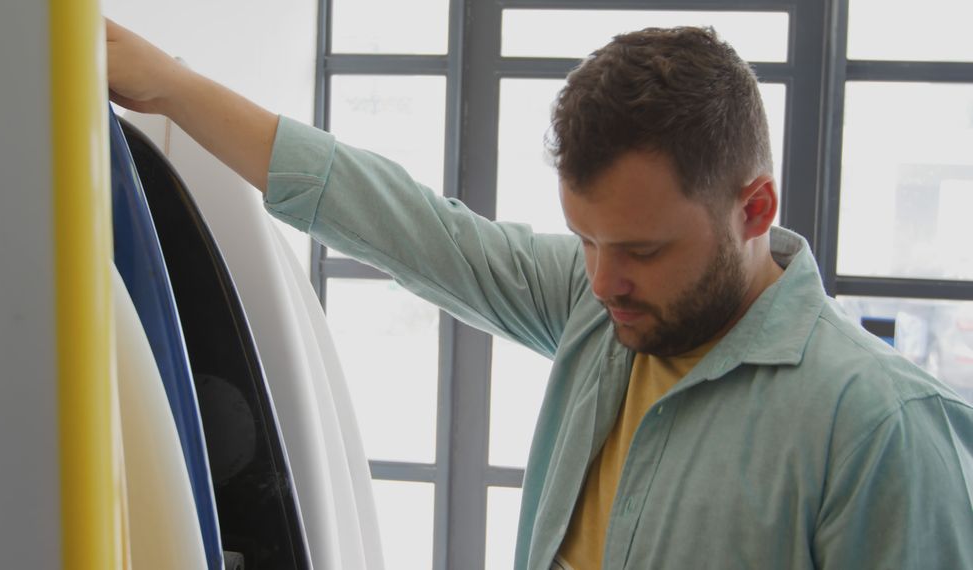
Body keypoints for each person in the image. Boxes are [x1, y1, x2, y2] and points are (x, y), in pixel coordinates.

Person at [106, 19, 973, 569]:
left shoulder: (880, 427)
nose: (602, 281)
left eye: (639, 249)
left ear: (755, 209)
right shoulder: (598, 307)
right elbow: (406, 224)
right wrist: (173, 87)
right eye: (585, 239)